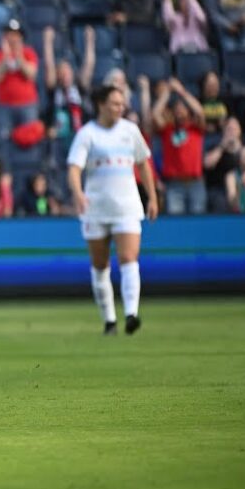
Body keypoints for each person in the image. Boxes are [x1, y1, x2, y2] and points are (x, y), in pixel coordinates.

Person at [67, 85, 159, 336]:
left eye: (122, 104)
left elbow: (143, 164)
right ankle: (109, 320)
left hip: (127, 205)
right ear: (101, 105)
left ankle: (131, 313)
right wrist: (78, 193)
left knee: (129, 258)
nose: (120, 108)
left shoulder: (130, 131)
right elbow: (74, 168)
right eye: (115, 103)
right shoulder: (88, 134)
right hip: (96, 207)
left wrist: (151, 197)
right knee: (100, 264)